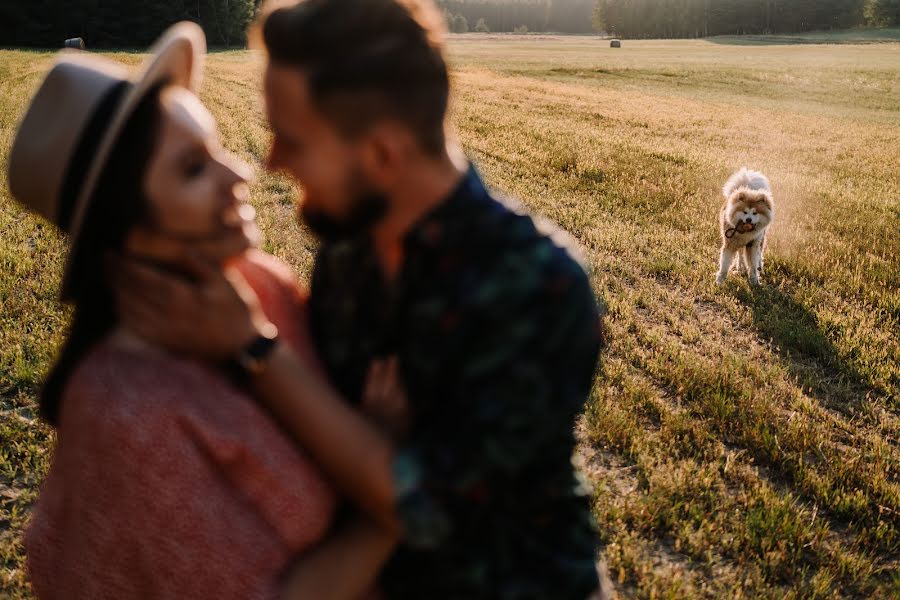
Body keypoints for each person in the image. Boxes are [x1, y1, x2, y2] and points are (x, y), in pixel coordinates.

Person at [114, 0, 608, 598]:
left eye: (290, 139)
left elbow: (429, 510)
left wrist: (255, 349)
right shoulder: (348, 257)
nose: (270, 163)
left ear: (382, 153)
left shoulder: (540, 288)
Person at [9, 23, 396, 600]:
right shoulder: (129, 414)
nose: (239, 173)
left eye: (216, 149)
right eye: (193, 169)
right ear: (128, 233)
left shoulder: (259, 282)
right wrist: (392, 499)